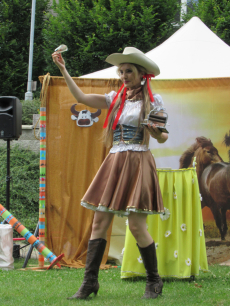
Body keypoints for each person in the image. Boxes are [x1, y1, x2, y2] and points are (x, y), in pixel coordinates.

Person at [52, 47, 168, 300]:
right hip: (115, 161)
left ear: (141, 74)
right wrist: (63, 69)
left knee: (137, 227)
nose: (124, 75)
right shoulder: (116, 99)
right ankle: (89, 283)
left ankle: (154, 280)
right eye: (122, 71)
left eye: (129, 71)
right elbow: (81, 97)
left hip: (138, 161)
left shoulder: (153, 101)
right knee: (99, 221)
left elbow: (162, 137)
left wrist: (155, 131)